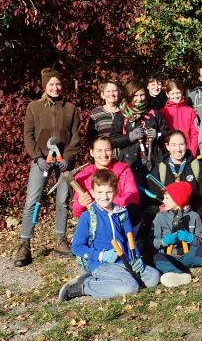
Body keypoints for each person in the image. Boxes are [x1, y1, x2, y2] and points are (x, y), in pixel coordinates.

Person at [59, 169, 160, 301]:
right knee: (130, 287)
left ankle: (112, 280)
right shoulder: (88, 216)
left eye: (108, 192)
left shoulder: (122, 214)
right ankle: (85, 286)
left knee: (153, 277)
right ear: (93, 193)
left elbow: (130, 240)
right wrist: (101, 255)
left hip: (124, 261)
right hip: (101, 263)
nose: (104, 197)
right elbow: (76, 247)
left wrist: (136, 258)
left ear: (116, 192)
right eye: (99, 192)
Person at [14, 68, 81, 267]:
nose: (55, 87)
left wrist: (68, 157)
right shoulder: (34, 107)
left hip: (64, 162)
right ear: (45, 86)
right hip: (42, 161)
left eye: (58, 83)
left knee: (63, 200)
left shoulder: (71, 109)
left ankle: (60, 241)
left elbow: (76, 137)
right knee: (32, 201)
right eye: (51, 84)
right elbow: (28, 135)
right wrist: (37, 157)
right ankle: (24, 244)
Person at [71, 136, 140, 229]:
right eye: (99, 150)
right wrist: (80, 203)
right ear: (92, 153)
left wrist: (103, 202)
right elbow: (76, 212)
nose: (104, 154)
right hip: (95, 224)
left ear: (113, 151)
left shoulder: (124, 170)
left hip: (120, 220)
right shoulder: (82, 177)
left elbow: (132, 198)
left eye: (108, 150)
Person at [148, 130, 202, 217]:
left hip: (193, 219)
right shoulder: (160, 169)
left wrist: (195, 217)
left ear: (186, 145)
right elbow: (154, 201)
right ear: (167, 146)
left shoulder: (197, 166)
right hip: (168, 221)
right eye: (174, 145)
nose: (178, 149)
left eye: (181, 144)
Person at [110, 79, 168, 177]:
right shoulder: (121, 115)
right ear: (128, 96)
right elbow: (113, 140)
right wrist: (130, 137)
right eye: (135, 96)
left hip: (154, 161)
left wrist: (158, 135)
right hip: (130, 163)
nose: (139, 99)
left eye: (142, 95)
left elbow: (168, 133)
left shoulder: (153, 112)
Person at [160, 80, 199, 156]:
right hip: (170, 153)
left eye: (178, 93)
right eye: (173, 93)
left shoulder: (190, 111)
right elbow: (162, 135)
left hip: (187, 151)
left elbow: (195, 134)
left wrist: (192, 153)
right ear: (167, 94)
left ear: (182, 92)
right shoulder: (163, 112)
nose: (176, 96)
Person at [86, 80, 122, 144]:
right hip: (104, 153)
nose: (111, 94)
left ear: (119, 93)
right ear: (102, 95)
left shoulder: (126, 112)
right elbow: (91, 138)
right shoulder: (95, 113)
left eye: (114, 91)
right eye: (108, 91)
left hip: (124, 153)